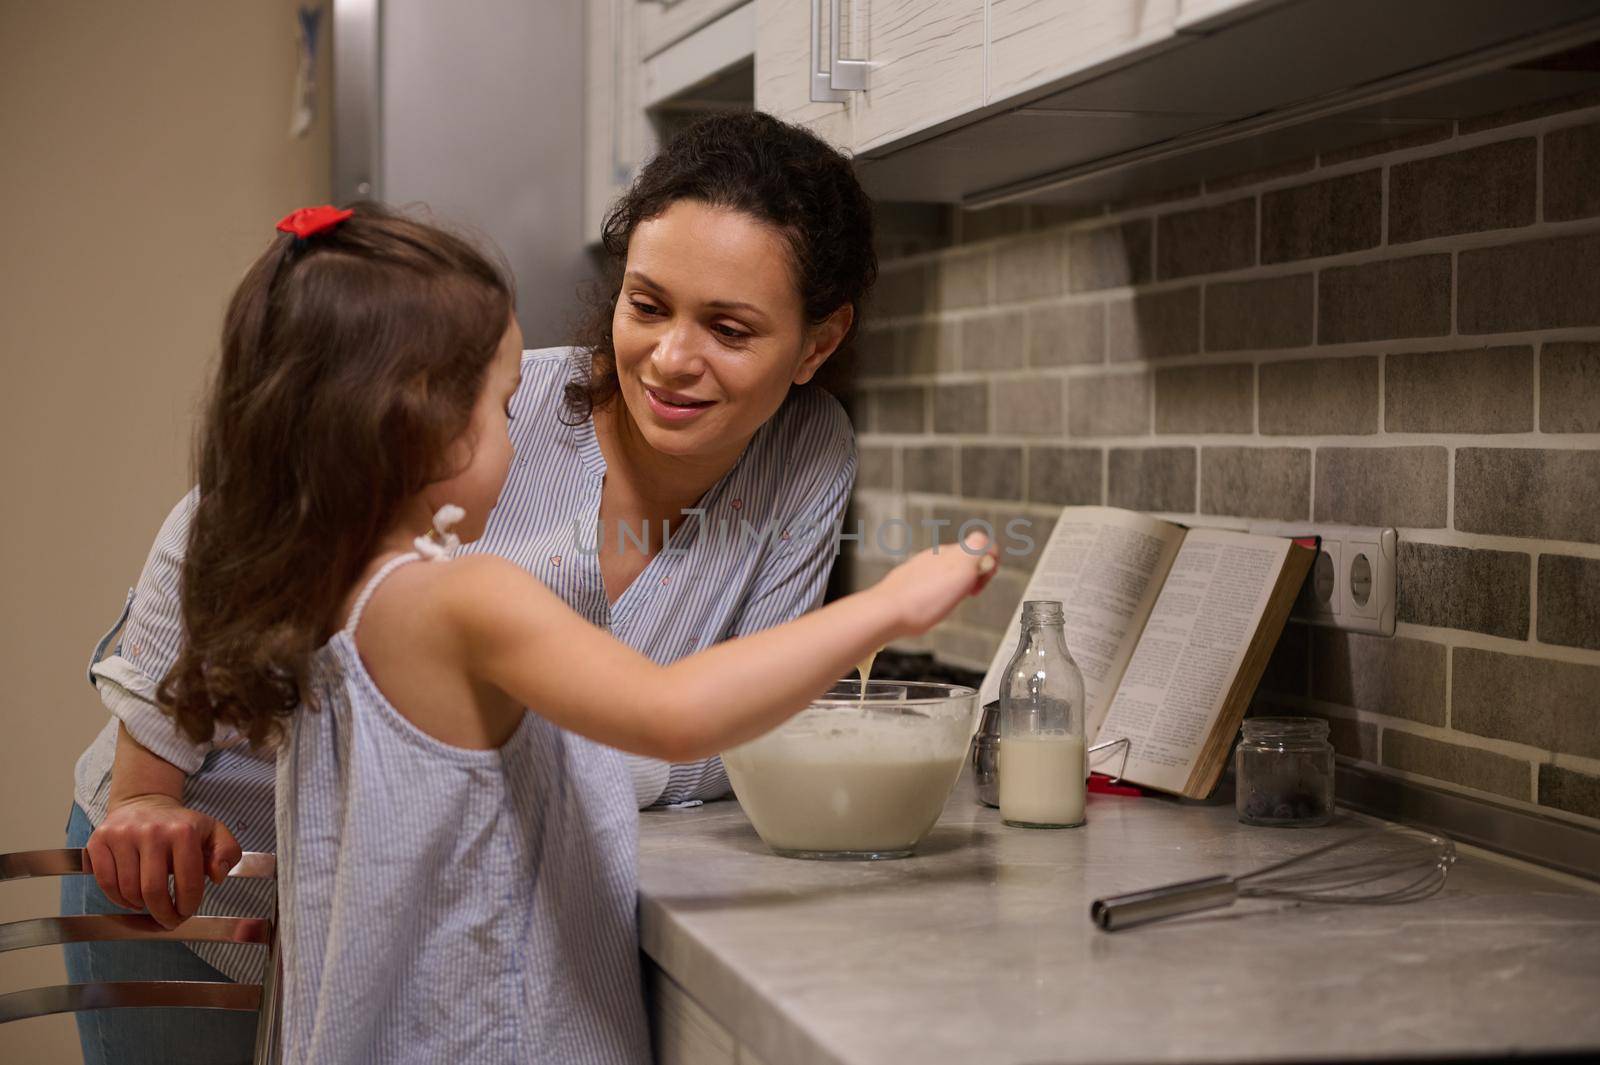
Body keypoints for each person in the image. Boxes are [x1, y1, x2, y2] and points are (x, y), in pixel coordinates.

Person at [80, 201, 998, 1063]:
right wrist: (893, 603)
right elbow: (675, 712)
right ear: (427, 428)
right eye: (506, 405)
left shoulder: (332, 606)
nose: (526, 435)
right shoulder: (467, 598)